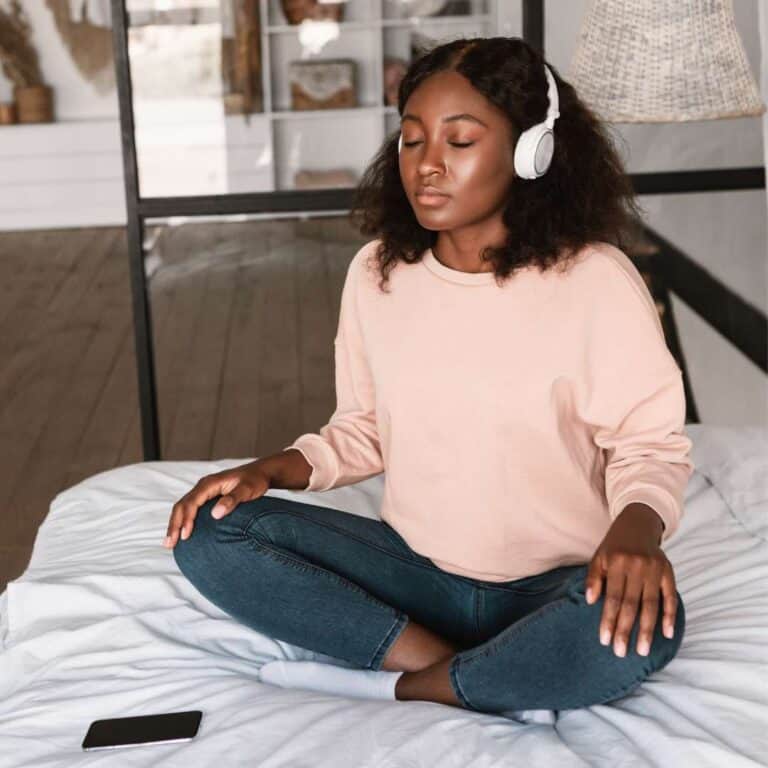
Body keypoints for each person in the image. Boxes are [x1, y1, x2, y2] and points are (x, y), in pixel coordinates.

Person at [164, 36, 692, 720]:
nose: (428, 166)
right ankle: (471, 673)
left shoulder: (594, 280)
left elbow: (649, 448)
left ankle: (407, 683)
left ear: (532, 150)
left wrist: (636, 534)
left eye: (461, 140)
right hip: (416, 576)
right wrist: (273, 470)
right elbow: (362, 431)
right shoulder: (378, 272)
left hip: (556, 586)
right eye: (412, 140)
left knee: (646, 629)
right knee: (211, 530)